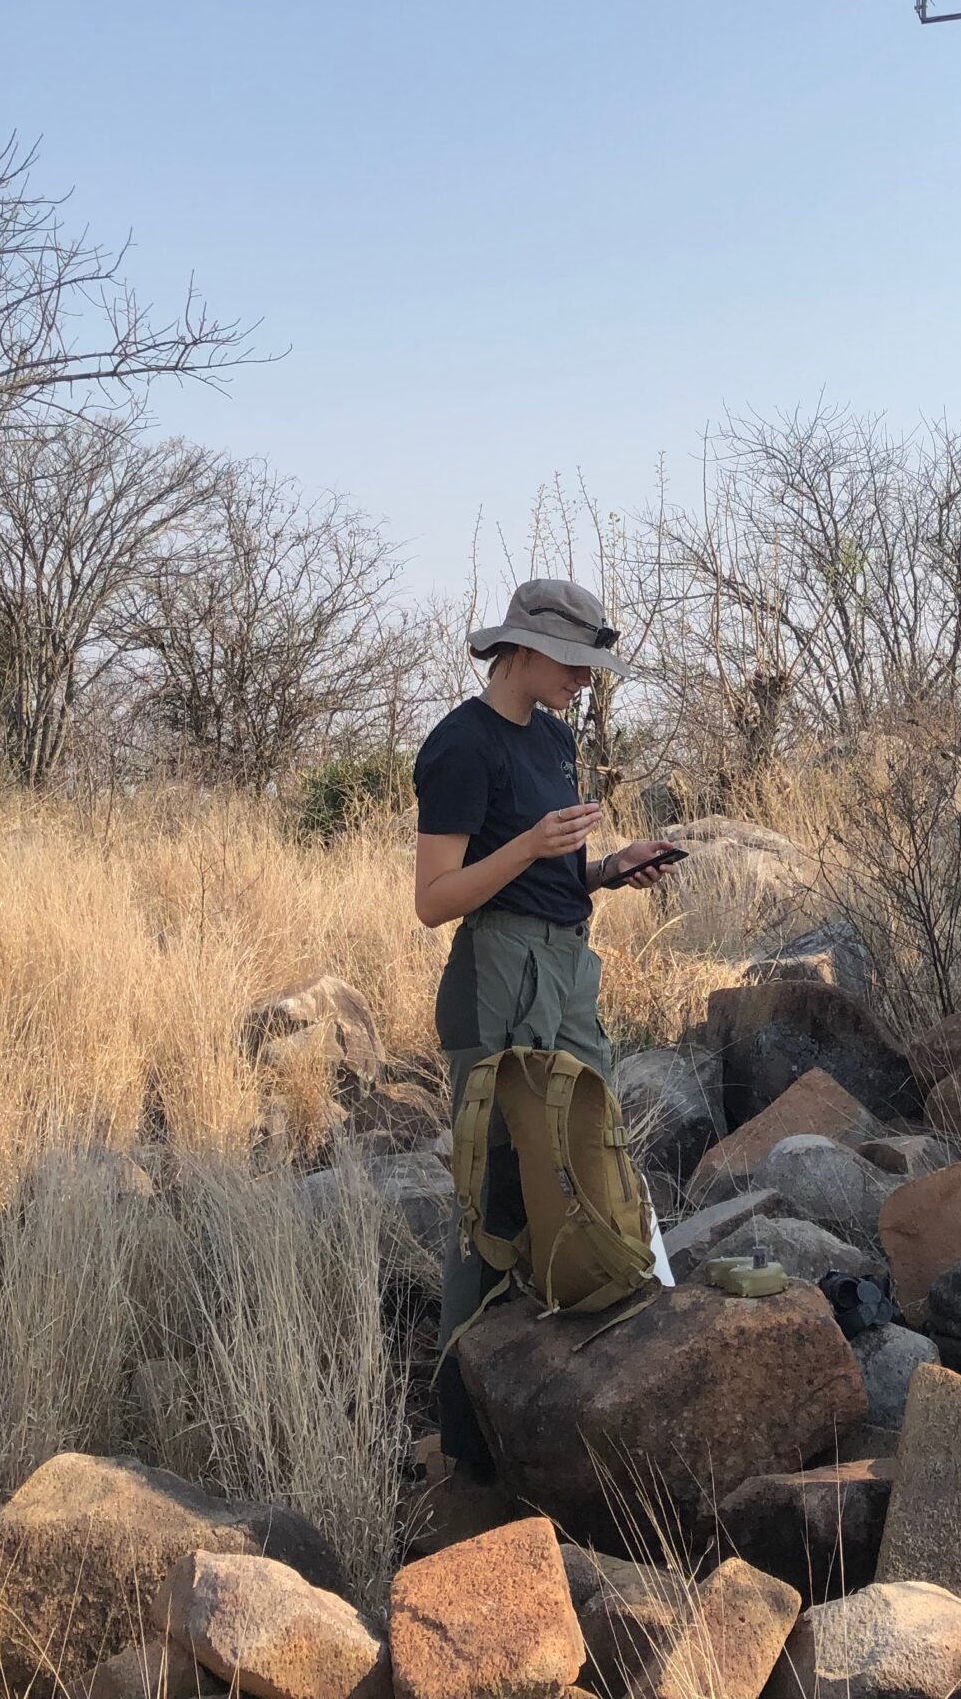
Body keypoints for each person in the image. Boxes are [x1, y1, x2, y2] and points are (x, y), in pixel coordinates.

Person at [413, 577, 672, 1457]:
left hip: (565, 962)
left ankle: (573, 1381)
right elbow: (433, 901)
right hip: (495, 968)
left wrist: (607, 870)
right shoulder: (461, 744)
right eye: (575, 663)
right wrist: (530, 845)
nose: (587, 683)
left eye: (593, 668)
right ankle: (467, 1434)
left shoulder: (556, 740)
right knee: (491, 1184)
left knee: (588, 1149)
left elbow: (552, 870)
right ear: (521, 649)